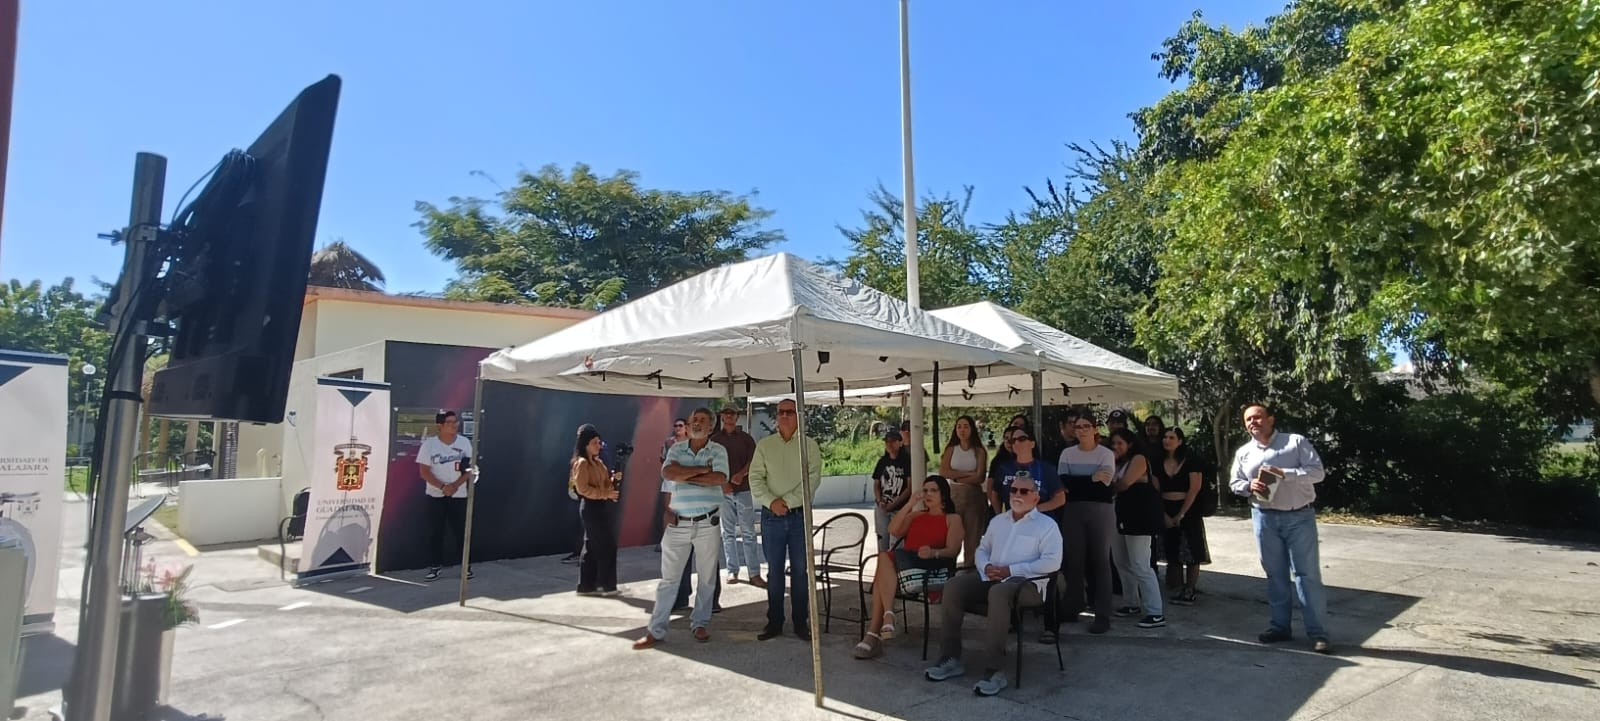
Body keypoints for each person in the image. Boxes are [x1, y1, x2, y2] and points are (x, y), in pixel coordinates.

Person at [923, 474, 1063, 698]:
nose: (1017, 495)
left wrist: (1011, 570)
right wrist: (986, 566)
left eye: (1024, 491)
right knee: (954, 586)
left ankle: (994, 670)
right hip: (992, 578)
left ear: (1036, 498)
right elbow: (982, 549)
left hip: (1028, 584)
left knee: (999, 593)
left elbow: (1052, 562)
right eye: (1014, 490)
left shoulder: (1047, 526)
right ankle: (950, 657)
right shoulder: (998, 521)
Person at [1230, 404, 1331, 654]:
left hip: (1299, 516)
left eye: (1257, 417)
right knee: (1275, 575)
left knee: (1307, 575)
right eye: (1248, 420)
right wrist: (1249, 486)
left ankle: (1318, 633)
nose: (1253, 422)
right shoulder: (1244, 453)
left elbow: (1318, 473)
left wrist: (1285, 473)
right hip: (1264, 518)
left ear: (1271, 419)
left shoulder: (1295, 442)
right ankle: (1280, 627)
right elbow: (1234, 483)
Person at [634, 408, 729, 649]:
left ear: (711, 428)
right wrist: (701, 470)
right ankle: (656, 630)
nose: (696, 423)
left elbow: (719, 478)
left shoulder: (718, 450)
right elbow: (668, 472)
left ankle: (700, 623)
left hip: (707, 522)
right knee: (669, 580)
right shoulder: (676, 449)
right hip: (678, 522)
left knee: (707, 577)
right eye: (693, 420)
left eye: (702, 420)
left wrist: (684, 475)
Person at [853, 474, 963, 660]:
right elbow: (893, 530)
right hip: (906, 567)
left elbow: (953, 550)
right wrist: (910, 503)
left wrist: (934, 553)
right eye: (925, 490)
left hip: (931, 568)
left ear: (943, 494)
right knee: (884, 558)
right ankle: (887, 617)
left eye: (933, 490)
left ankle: (874, 633)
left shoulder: (952, 519)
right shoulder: (916, 516)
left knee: (882, 569)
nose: (928, 494)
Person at [749, 398, 822, 641]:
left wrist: (787, 502)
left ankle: (801, 622)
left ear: (798, 417)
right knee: (775, 572)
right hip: (771, 518)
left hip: (799, 517)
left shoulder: (810, 446)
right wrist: (771, 502)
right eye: (780, 412)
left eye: (790, 412)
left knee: (800, 572)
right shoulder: (764, 445)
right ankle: (775, 622)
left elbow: (812, 479)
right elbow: (755, 478)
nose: (784, 416)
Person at [1056, 411, 1116, 634]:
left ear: (1095, 429)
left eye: (1085, 426)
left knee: (1100, 561)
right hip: (1073, 510)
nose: (1081, 430)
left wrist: (1080, 483)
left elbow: (1105, 486)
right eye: (1078, 427)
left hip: (1101, 510)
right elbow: (1064, 483)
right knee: (1074, 560)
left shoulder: (1106, 454)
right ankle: (1073, 605)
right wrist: (1092, 478)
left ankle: (1102, 614)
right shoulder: (1067, 453)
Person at [1108, 428, 1165, 628]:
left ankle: (1155, 612)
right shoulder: (1117, 462)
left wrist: (1106, 485)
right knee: (1121, 561)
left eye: (1120, 443)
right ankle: (1131, 602)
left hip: (1139, 518)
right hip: (1119, 515)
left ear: (1130, 444)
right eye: (1113, 443)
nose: (1116, 447)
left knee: (1141, 564)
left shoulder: (1139, 459)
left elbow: (1124, 484)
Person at [1153, 427, 1210, 605]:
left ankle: (1190, 589)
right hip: (1165, 507)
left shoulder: (1191, 460)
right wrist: (1164, 514)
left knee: (1192, 551)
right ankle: (1177, 587)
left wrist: (1181, 513)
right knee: (1172, 549)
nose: (1167, 440)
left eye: (1171, 437)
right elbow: (1155, 489)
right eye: (1165, 437)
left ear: (1180, 441)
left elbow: (1195, 488)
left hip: (1189, 509)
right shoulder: (1157, 461)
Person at [417, 410, 474, 581]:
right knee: (436, 532)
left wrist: (455, 485)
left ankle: (465, 566)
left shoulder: (464, 443)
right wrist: (443, 487)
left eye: (455, 422)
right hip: (436, 495)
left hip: (458, 494)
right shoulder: (429, 445)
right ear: (440, 426)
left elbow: (469, 469)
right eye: (449, 423)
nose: (454, 426)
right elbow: (424, 472)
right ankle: (435, 566)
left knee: (461, 531)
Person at [712, 405, 764, 588]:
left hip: (743, 489)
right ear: (721, 416)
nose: (729, 416)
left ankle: (754, 573)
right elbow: (710, 464)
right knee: (727, 533)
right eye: (726, 413)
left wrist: (742, 474)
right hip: (723, 491)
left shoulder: (746, 438)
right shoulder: (714, 440)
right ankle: (732, 570)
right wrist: (723, 483)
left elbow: (754, 460)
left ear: (736, 416)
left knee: (749, 532)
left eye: (732, 413)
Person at [570, 424, 621, 596]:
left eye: (599, 442)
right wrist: (605, 494)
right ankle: (607, 585)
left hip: (600, 505)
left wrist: (613, 478)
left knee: (591, 547)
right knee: (607, 546)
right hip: (591, 507)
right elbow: (583, 489)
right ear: (585, 444)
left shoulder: (598, 463)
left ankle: (586, 586)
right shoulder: (582, 463)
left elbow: (605, 484)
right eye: (595, 443)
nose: (599, 446)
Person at [939, 415, 988, 568]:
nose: (962, 430)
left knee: (973, 537)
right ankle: (949, 568)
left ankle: (969, 569)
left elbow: (979, 477)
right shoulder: (951, 449)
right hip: (955, 495)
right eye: (959, 426)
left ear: (972, 429)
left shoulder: (979, 451)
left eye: (966, 426)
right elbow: (944, 471)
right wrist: (966, 474)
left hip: (974, 497)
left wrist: (957, 475)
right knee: (952, 536)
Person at [871, 429, 913, 552]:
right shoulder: (882, 462)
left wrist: (894, 504)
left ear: (900, 443)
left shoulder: (907, 461)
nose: (889, 444)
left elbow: (909, 487)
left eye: (893, 441)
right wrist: (880, 501)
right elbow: (876, 483)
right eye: (887, 442)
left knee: (896, 542)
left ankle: (896, 563)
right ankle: (883, 561)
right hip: (883, 507)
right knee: (882, 539)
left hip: (900, 508)